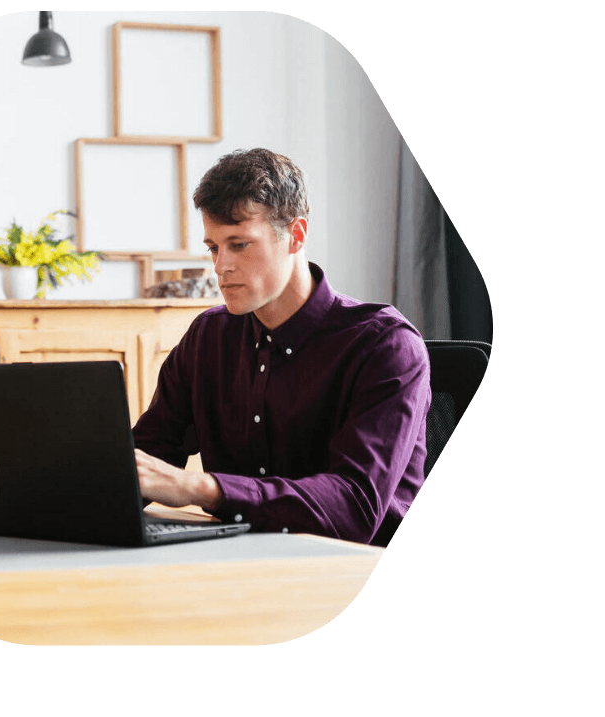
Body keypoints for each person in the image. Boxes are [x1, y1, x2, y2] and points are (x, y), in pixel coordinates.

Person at [132, 148, 430, 544]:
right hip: (237, 565)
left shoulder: (387, 346)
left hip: (352, 568)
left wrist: (200, 488)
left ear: (296, 235)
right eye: (213, 247)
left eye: (238, 244)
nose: (220, 266)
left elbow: (355, 507)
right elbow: (146, 459)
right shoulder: (207, 338)